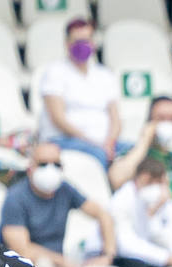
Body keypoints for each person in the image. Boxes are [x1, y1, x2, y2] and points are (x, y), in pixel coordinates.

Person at [0, 142, 117, 267]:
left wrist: (108, 255)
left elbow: (103, 214)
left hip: (60, 266)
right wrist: (63, 262)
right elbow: (21, 250)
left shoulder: (64, 190)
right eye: (43, 164)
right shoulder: (15, 197)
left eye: (56, 164)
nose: (50, 169)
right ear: (30, 168)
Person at [37, 18, 122, 167]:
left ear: (93, 42)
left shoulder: (105, 74)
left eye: (87, 40)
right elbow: (58, 119)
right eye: (77, 41)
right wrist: (93, 143)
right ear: (67, 43)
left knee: (137, 151)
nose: (83, 45)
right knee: (99, 155)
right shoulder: (55, 72)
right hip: (65, 140)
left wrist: (110, 142)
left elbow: (115, 118)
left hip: (104, 143)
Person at [108, 96, 172, 227]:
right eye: (161, 119)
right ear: (149, 122)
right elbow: (117, 179)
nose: (167, 124)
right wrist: (144, 141)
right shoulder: (135, 156)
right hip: (147, 219)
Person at [110, 157, 172, 267]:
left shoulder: (168, 206)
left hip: (151, 257)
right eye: (150, 182)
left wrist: (154, 213)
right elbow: (125, 245)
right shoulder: (120, 201)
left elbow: (171, 243)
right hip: (121, 259)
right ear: (140, 179)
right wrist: (166, 258)